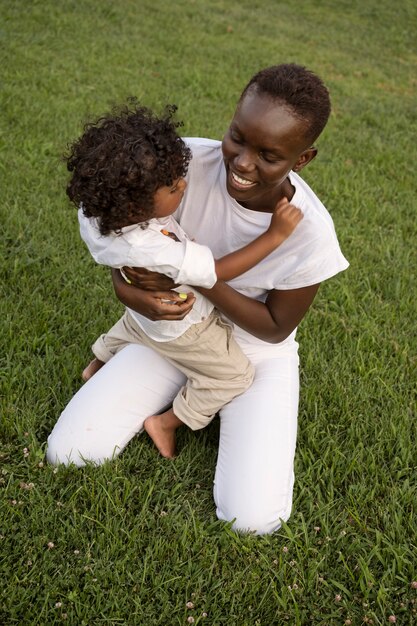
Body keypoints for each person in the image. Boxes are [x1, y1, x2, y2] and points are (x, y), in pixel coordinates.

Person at [47, 63, 349, 535]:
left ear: (303, 158)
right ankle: (150, 385)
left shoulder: (309, 231)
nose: (243, 162)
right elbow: (124, 241)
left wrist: (195, 276)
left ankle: (180, 410)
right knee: (69, 453)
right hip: (174, 329)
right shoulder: (179, 167)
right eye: (238, 137)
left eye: (269, 154)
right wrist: (131, 292)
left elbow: (274, 327)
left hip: (254, 348)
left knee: (253, 520)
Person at [64, 103, 303, 458]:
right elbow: (216, 273)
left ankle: (97, 363)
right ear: (135, 207)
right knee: (235, 376)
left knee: (135, 323)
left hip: (144, 313)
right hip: (184, 326)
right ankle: (167, 423)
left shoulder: (95, 212)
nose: (184, 184)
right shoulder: (154, 249)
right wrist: (275, 236)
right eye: (173, 186)